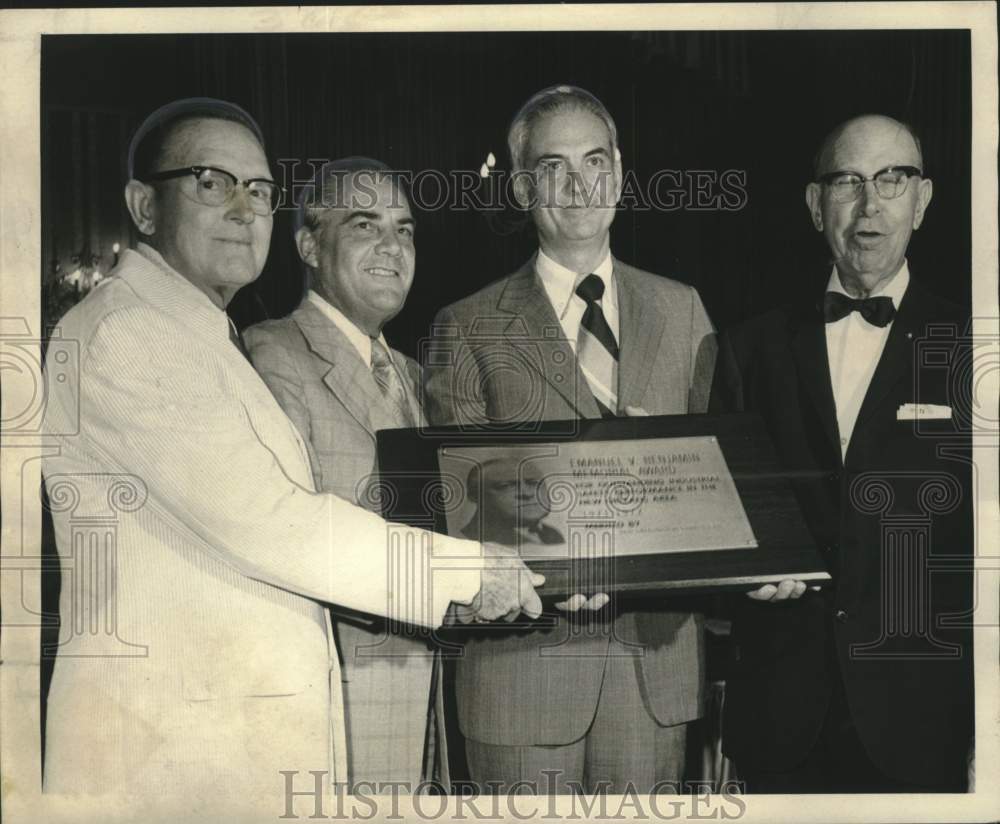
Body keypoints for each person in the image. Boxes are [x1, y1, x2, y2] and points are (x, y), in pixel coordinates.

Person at [40, 99, 543, 811]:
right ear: (142, 206)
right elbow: (270, 520)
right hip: (173, 751)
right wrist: (468, 570)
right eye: (212, 181)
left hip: (221, 733)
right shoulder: (132, 334)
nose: (246, 210)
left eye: (260, 190)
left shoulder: (198, 333)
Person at [424, 85, 717, 794]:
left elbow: (722, 487)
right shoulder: (466, 324)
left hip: (654, 671)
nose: (579, 184)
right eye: (553, 166)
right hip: (526, 669)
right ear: (523, 186)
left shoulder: (683, 310)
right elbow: (455, 500)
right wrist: (555, 566)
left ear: (619, 171)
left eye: (595, 160)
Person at [712, 114, 974, 792]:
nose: (870, 204)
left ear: (923, 201)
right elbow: (723, 512)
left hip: (924, 720)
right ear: (814, 204)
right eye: (848, 182)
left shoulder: (977, 348)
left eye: (893, 180)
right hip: (779, 718)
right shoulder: (748, 348)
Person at [244, 157, 440, 790]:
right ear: (308, 244)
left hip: (434, 689)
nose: (393, 247)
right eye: (365, 225)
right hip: (342, 688)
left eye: (405, 229)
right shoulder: (270, 351)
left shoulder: (416, 375)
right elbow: (288, 534)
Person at [459, 457, 564, 546]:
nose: (527, 493)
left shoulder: (551, 533)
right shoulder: (470, 541)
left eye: (533, 483)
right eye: (505, 486)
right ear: (474, 496)